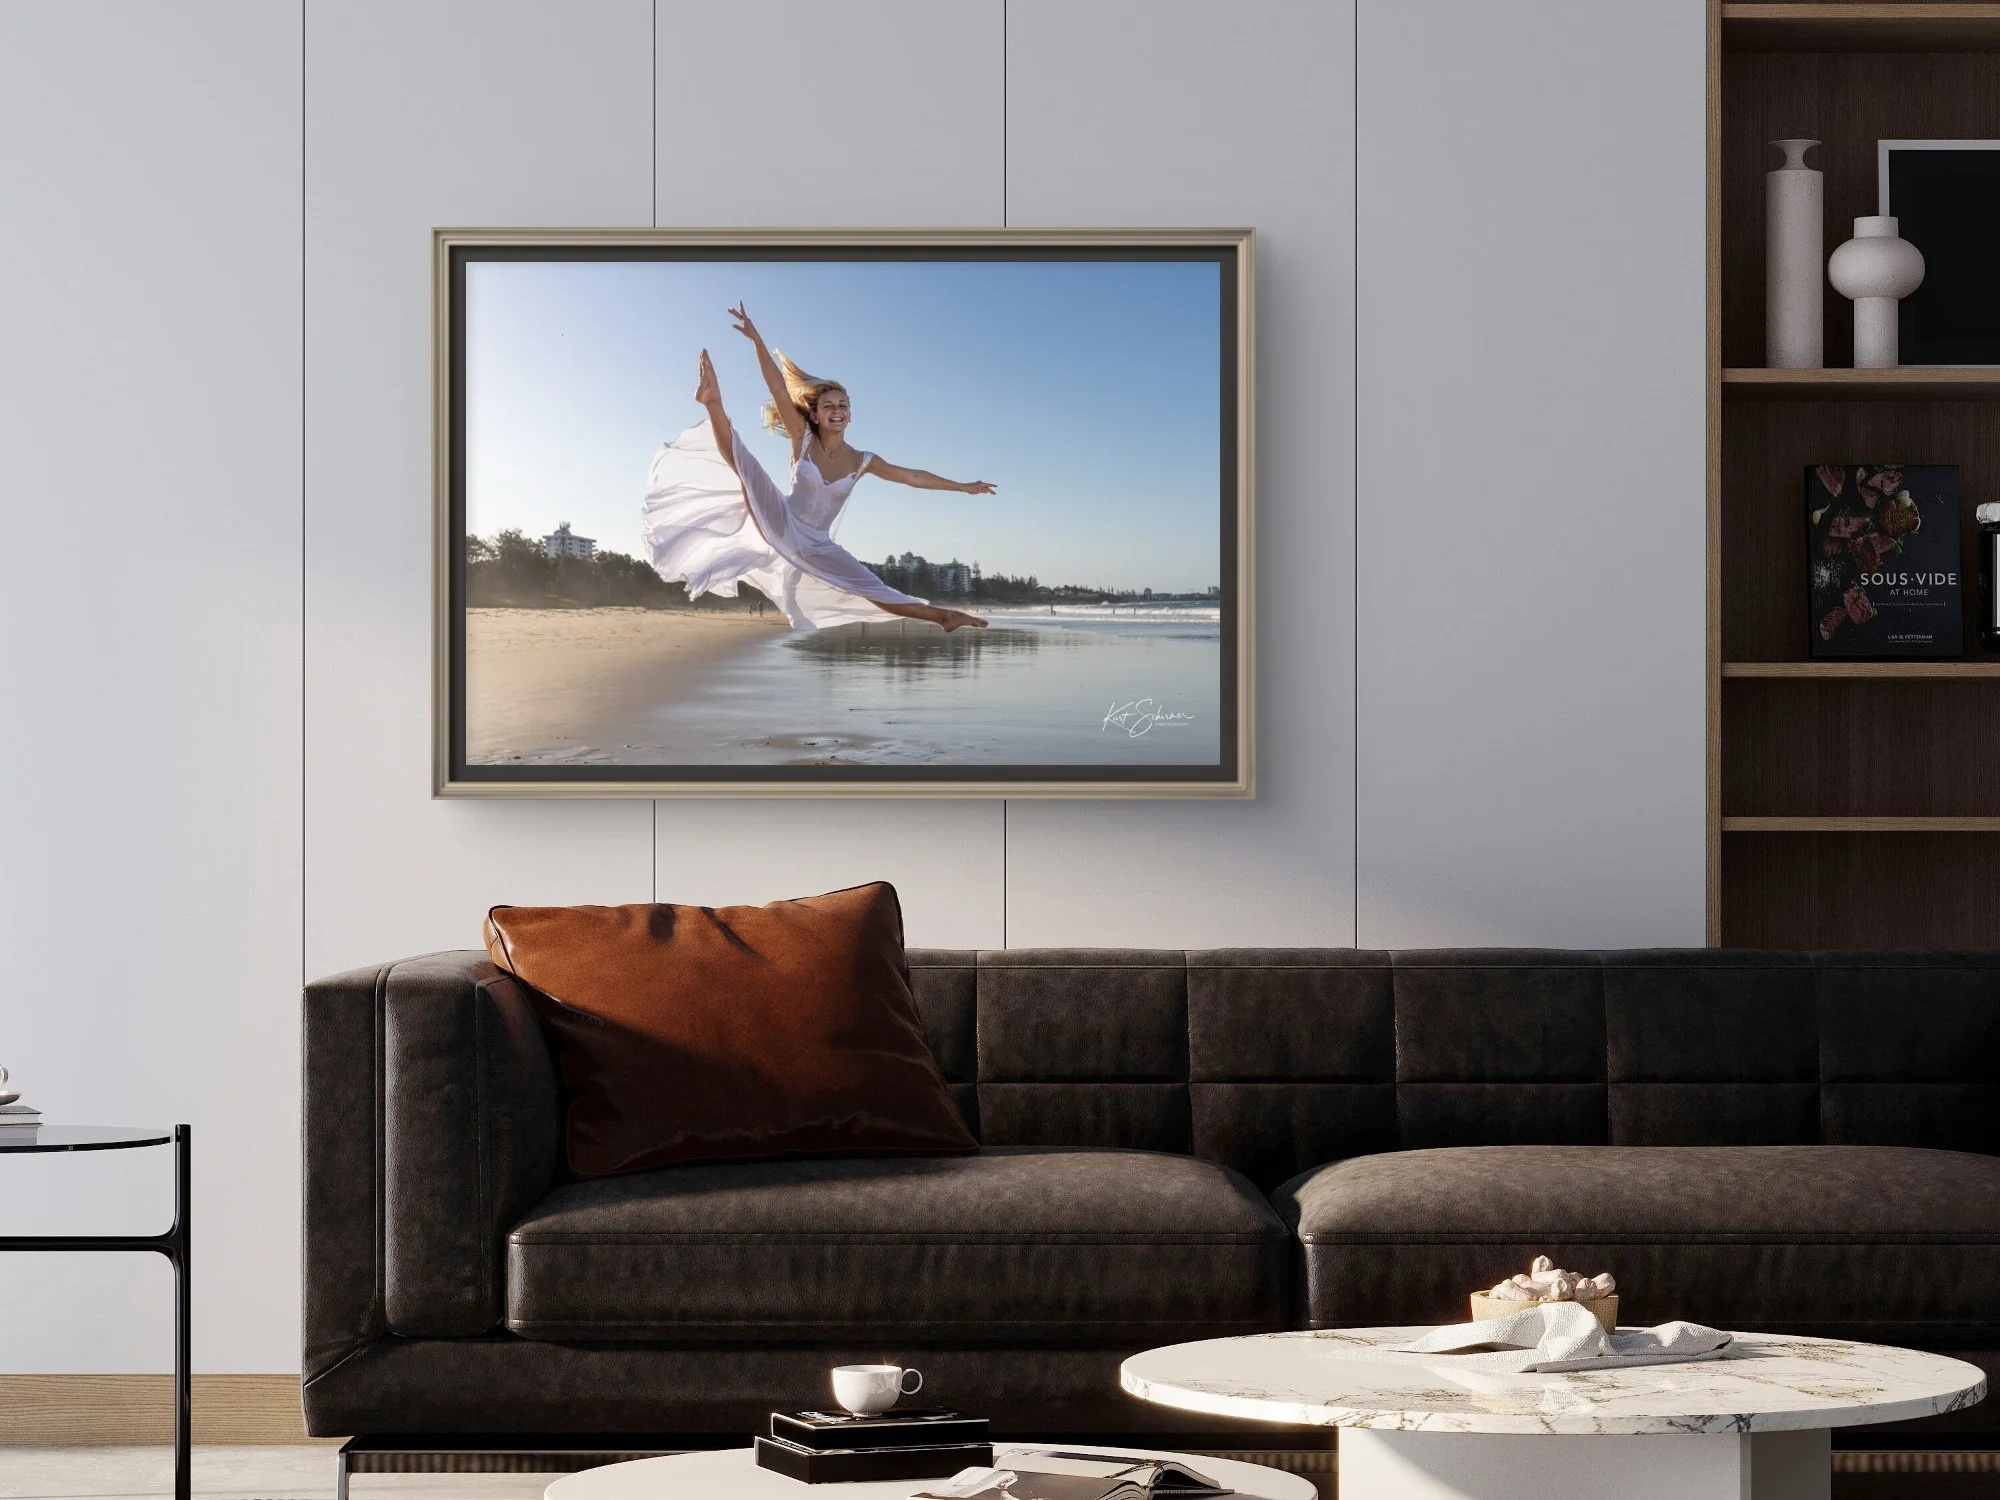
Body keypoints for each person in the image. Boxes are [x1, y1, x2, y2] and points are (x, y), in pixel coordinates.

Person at [641, 303, 995, 632]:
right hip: (782, 521)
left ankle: (944, 617)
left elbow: (912, 477)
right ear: (815, 414)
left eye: (843, 404)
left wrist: (963, 486)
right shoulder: (803, 438)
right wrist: (756, 340)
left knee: (875, 589)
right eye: (828, 405)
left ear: (851, 414)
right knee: (744, 465)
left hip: (820, 545)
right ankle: (713, 403)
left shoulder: (863, 461)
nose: (836, 409)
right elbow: (777, 386)